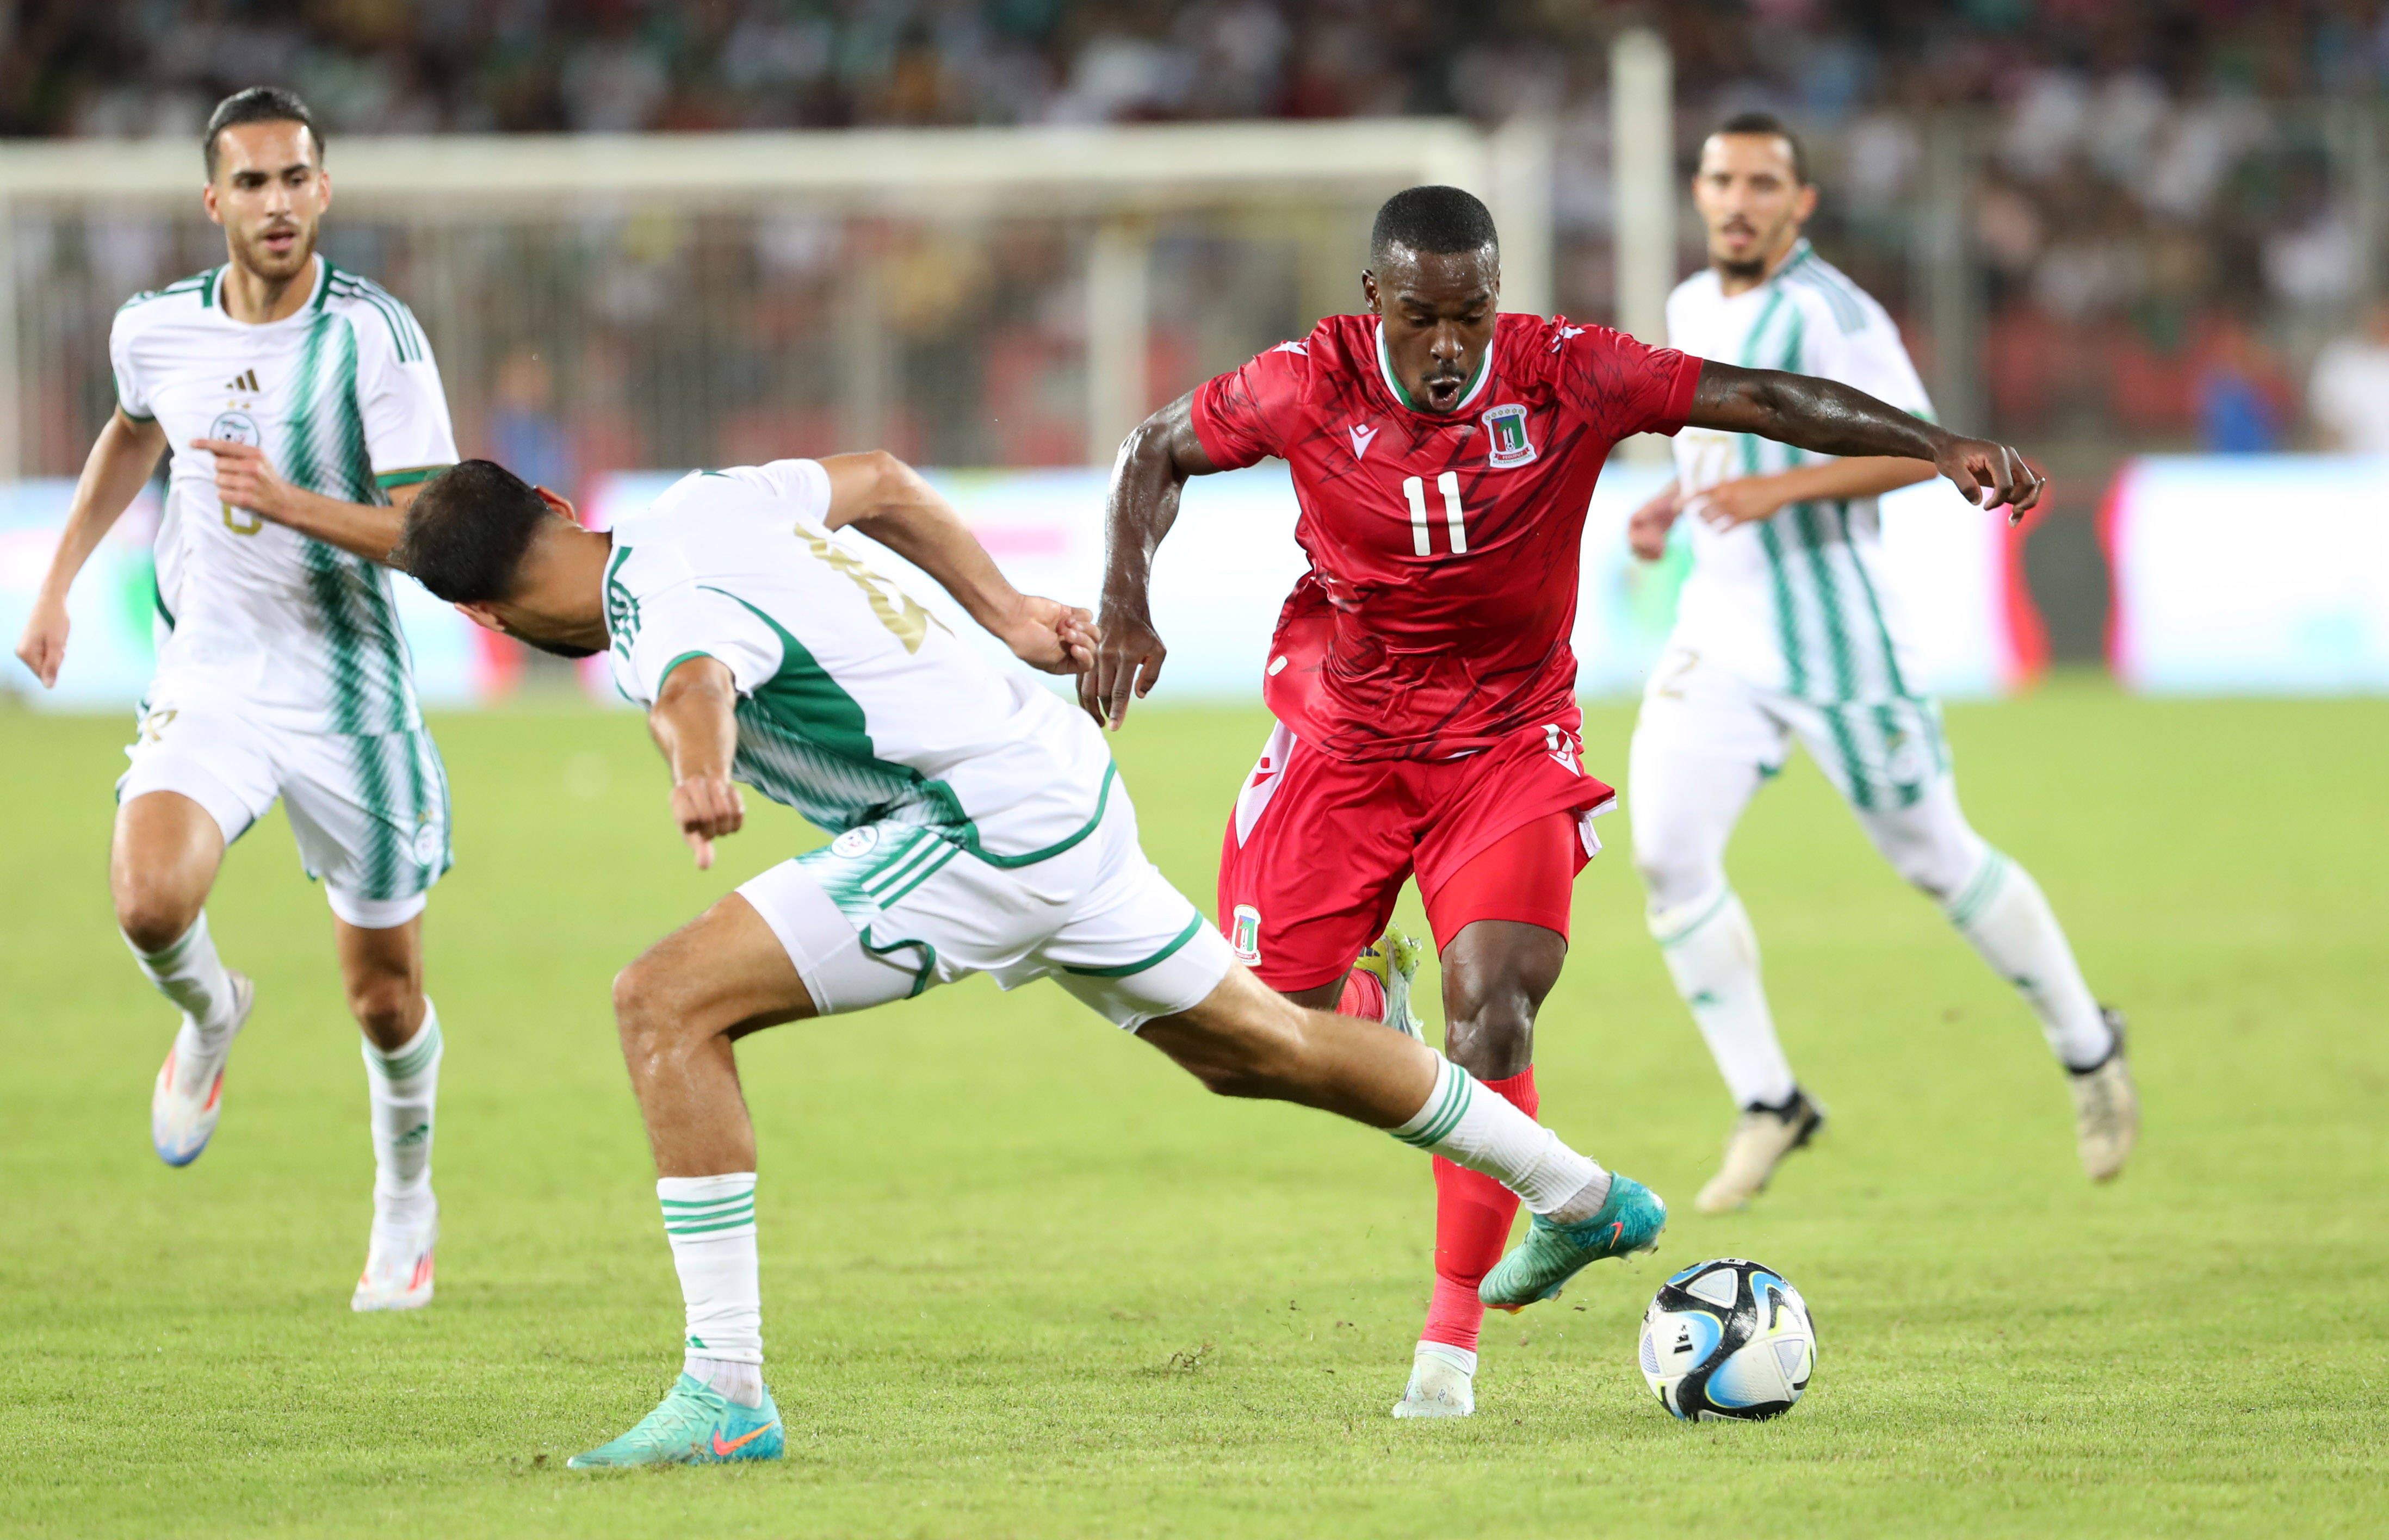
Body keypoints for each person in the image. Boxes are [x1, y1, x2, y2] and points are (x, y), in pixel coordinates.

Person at [391, 452, 1667, 1468]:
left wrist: (700, 765)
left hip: (971, 826)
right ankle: (1580, 1193)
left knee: (662, 1004)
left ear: (488, 616)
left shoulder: (652, 612)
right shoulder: (702, 505)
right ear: (558, 505)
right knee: (1260, 1049)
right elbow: (886, 479)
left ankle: (725, 1391)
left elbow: (695, 677)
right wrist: (1006, 615)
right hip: (1051, 776)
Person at [1086, 182, 2048, 1419]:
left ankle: (1452, 1351)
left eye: (1472, 316)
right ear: (1374, 299)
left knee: (1497, 1012)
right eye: (1424, 319)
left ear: (1500, 298)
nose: (1450, 348)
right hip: (1344, 739)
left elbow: (1757, 397)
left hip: (1506, 740)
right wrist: (1125, 599)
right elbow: (1153, 450)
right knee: (1270, 1035)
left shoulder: (1569, 372)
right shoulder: (1302, 384)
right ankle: (1380, 989)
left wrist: (1931, 444)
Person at [1622, 113, 2137, 1215]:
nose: (1740, 200)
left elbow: (1919, 447)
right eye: (1722, 180)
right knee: (1666, 854)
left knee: (1938, 858)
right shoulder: (1688, 304)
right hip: (1720, 630)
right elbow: (1721, 437)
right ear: (1700, 194)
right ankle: (1769, 1100)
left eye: (1764, 183)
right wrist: (1677, 498)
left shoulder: (1833, 312)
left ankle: (2090, 1046)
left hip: (1835, 634)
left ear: (1800, 203)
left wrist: (1777, 490)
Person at [10, 89, 460, 1309]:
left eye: (295, 178)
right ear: (214, 202)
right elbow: (129, 435)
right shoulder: (154, 330)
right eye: (251, 183)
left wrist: (292, 500)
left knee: (384, 995)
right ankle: (212, 1018)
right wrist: (56, 583)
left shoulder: (377, 338)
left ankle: (404, 1207)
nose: (276, 202)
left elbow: (430, 531)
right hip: (211, 673)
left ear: (325, 191)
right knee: (149, 900)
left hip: (350, 694)